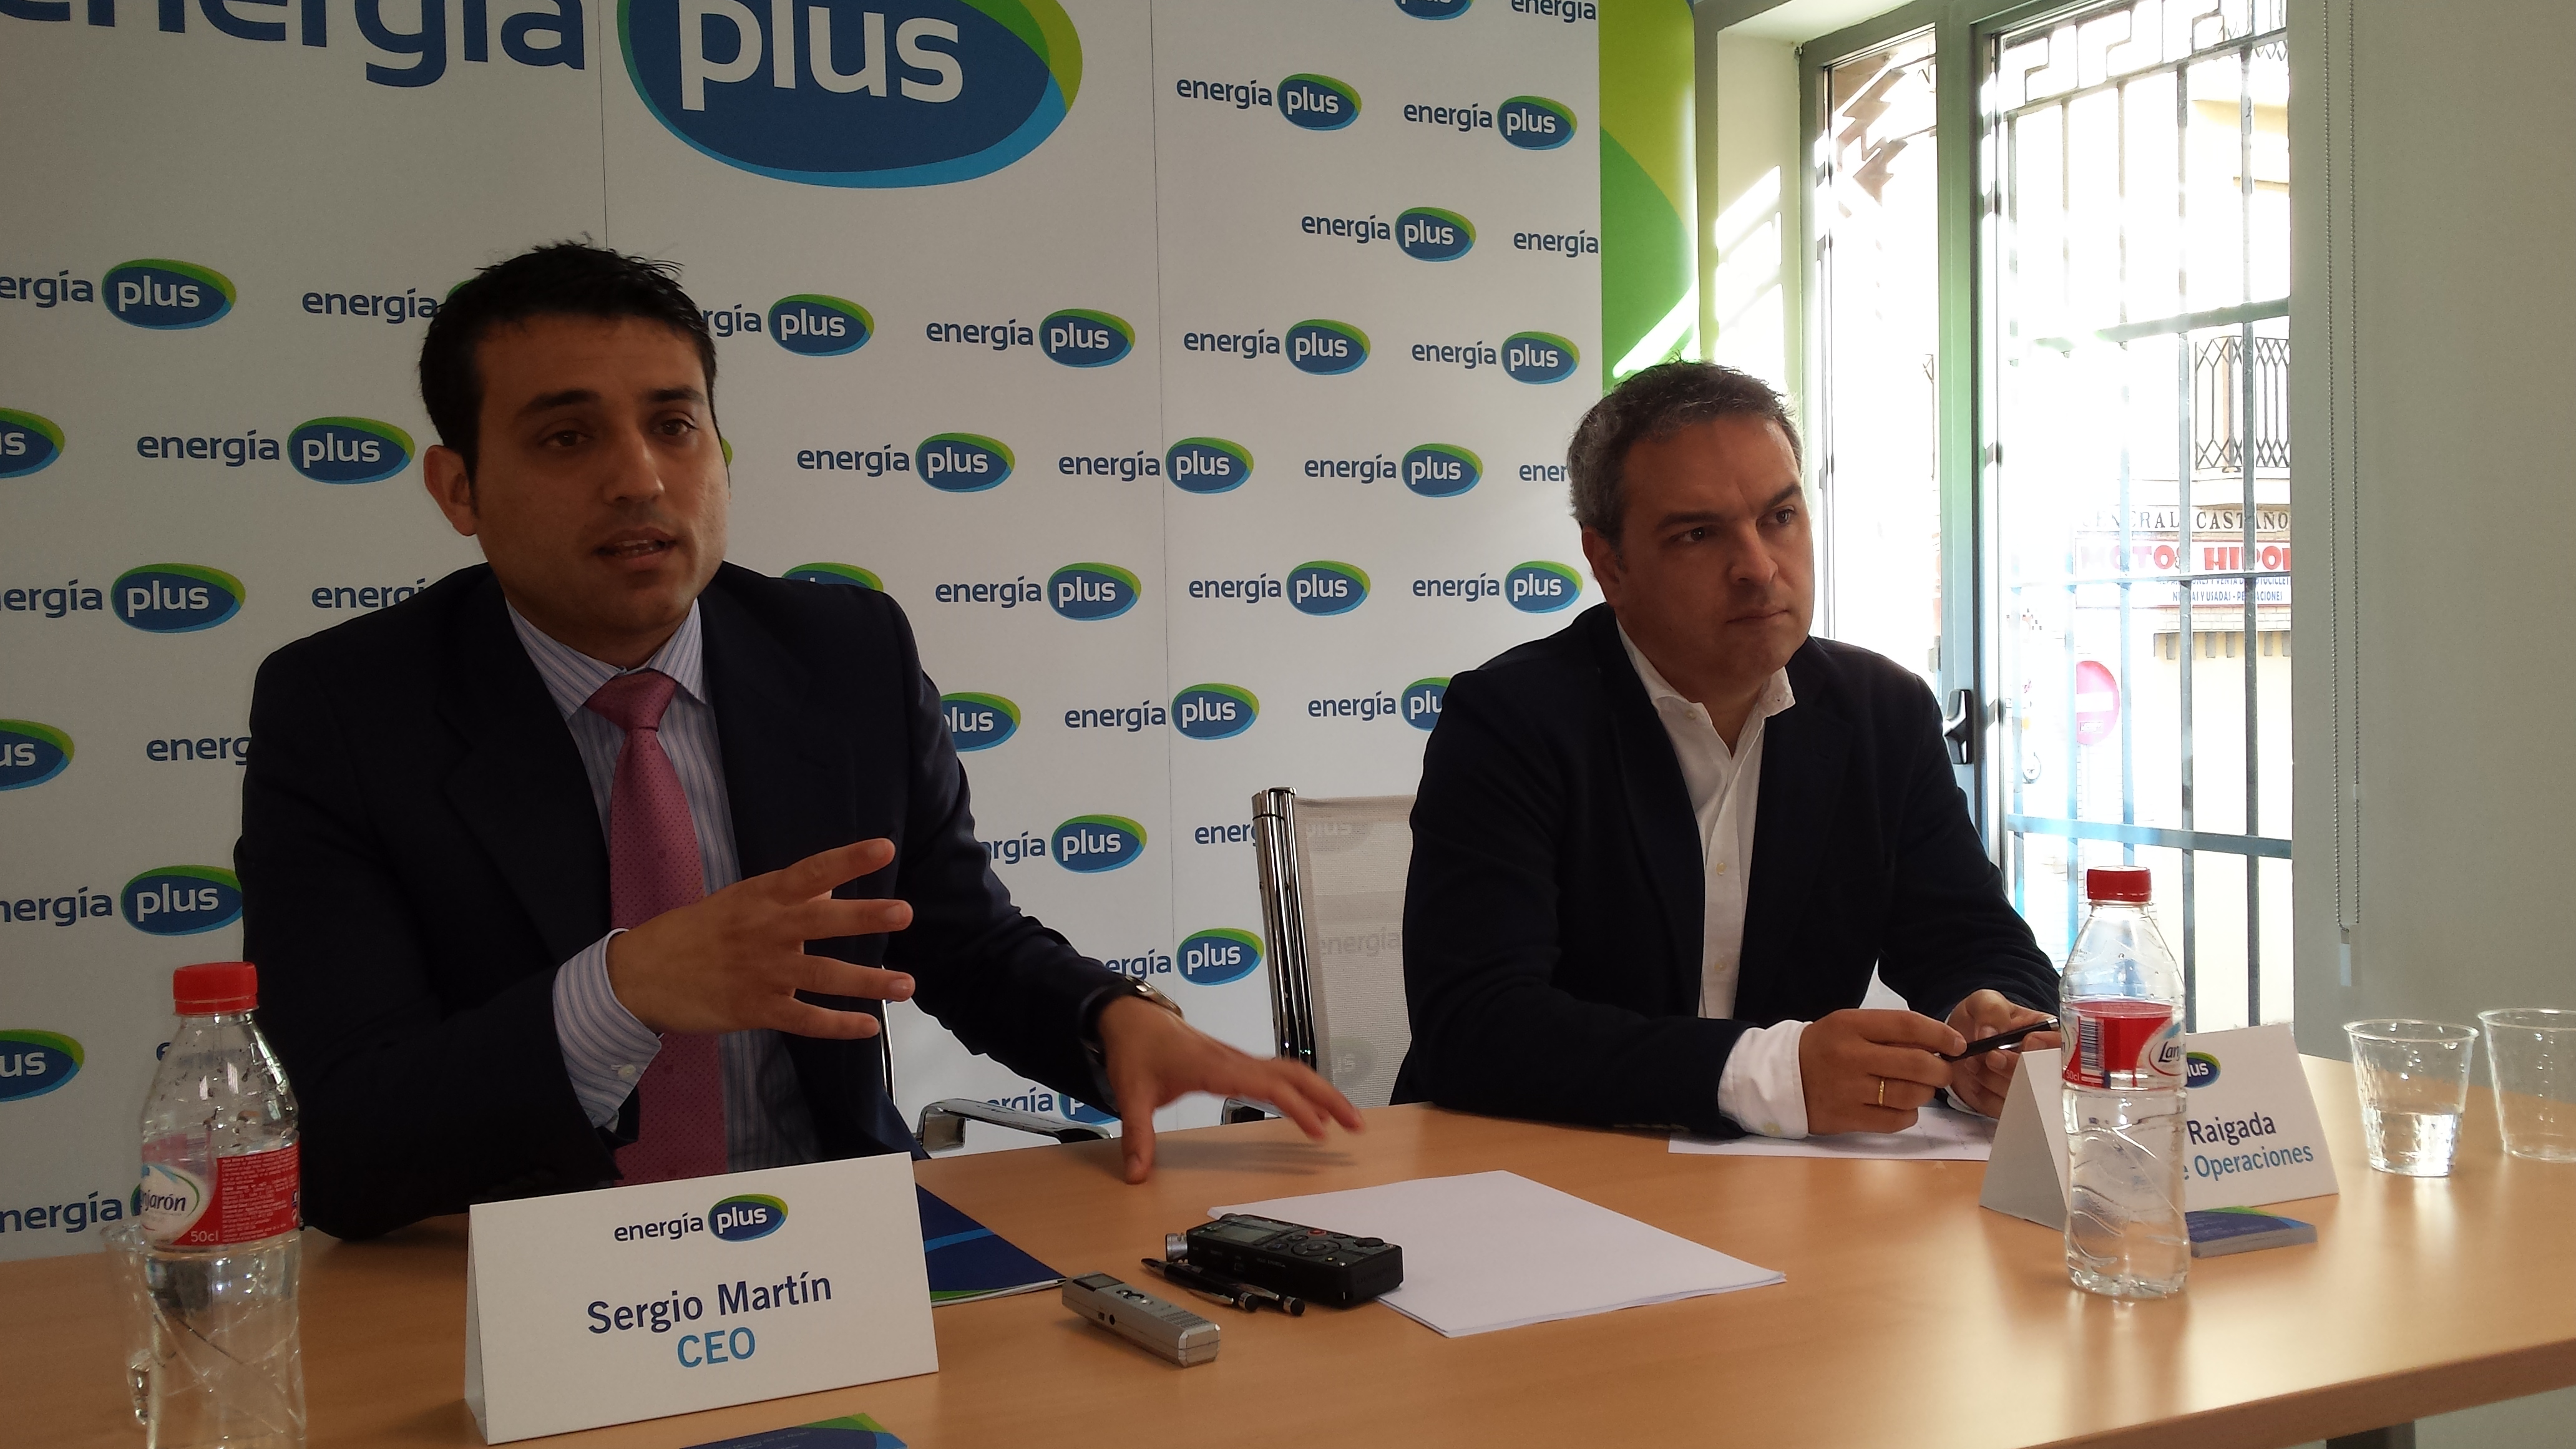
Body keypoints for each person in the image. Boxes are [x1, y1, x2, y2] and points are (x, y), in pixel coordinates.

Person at [237, 242, 1359, 1239]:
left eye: (674, 425)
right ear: (458, 489)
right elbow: (343, 1137)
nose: (640, 478)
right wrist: (620, 992)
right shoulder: (345, 710)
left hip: (836, 1250)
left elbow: (955, 939)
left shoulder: (846, 653)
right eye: (567, 436)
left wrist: (1108, 1020)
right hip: (514, 1276)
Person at [1394, 362, 2059, 1139]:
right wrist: (1765, 1073)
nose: (1759, 568)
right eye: (1698, 535)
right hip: (1538, 1163)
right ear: (1610, 565)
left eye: (1780, 517)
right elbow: (1476, 1025)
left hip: (1785, 1181)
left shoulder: (1883, 712)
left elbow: (1971, 938)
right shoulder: (1512, 719)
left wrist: (1989, 1027)